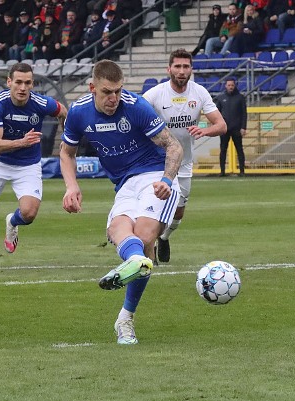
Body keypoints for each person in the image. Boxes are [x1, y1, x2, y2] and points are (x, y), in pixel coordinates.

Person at [60, 60, 183, 344]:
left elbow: (173, 145)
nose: (114, 98)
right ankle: (136, 260)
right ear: (92, 88)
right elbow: (67, 152)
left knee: (143, 236)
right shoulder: (79, 113)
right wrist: (71, 186)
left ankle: (125, 319)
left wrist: (166, 179)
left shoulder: (136, 106)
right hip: (125, 185)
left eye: (117, 91)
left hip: (155, 176)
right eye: (106, 92)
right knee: (117, 230)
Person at [0, 63, 68, 271]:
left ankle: (12, 222)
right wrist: (22, 142)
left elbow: (63, 111)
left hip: (27, 165)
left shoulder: (41, 103)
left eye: (27, 83)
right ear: (9, 82)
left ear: (32, 84)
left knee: (29, 213)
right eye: (18, 82)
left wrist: (67, 137)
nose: (23, 87)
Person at [142, 49, 226, 263]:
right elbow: (137, 114)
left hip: (184, 163)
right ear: (168, 69)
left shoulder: (199, 93)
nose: (181, 71)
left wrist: (204, 130)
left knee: (178, 213)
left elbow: (222, 125)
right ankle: (148, 253)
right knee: (152, 207)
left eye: (186, 66)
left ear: (191, 70)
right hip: (155, 162)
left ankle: (164, 236)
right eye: (177, 66)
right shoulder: (155, 94)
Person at [215, 77, 247, 177]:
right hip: (224, 129)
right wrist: (217, 126)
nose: (230, 87)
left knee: (239, 150)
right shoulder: (220, 98)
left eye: (232, 85)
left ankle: (242, 171)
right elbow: (217, 113)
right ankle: (222, 171)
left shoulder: (240, 97)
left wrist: (243, 127)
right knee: (223, 150)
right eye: (229, 85)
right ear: (225, 86)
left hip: (237, 128)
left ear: (235, 85)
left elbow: (244, 114)